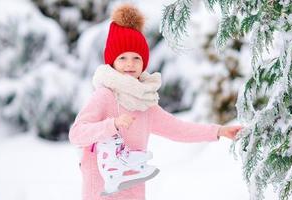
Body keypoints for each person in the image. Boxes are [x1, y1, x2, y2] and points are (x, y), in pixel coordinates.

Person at [69, 4, 243, 200]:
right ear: (112, 61)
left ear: (144, 61)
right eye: (123, 57)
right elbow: (76, 134)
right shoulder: (104, 96)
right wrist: (112, 125)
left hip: (133, 191)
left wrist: (218, 131)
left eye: (136, 57)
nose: (130, 64)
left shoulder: (145, 103)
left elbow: (178, 129)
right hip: (100, 192)